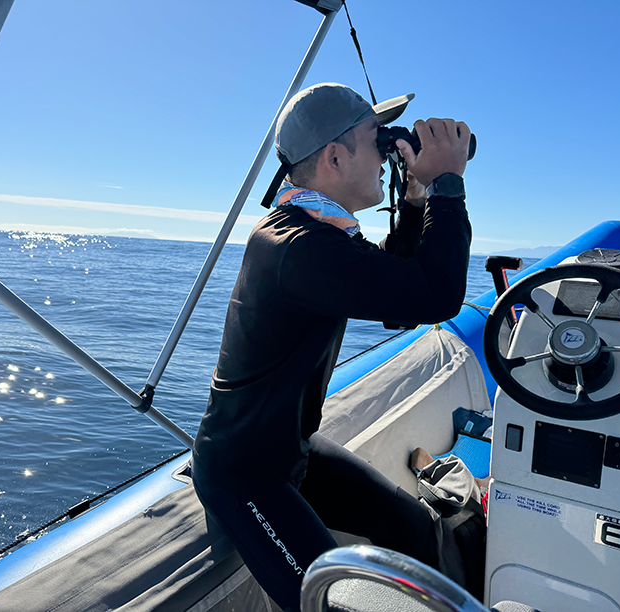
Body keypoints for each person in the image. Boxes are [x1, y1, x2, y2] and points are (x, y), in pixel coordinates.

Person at [191, 82, 473, 611]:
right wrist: (448, 184)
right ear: (336, 157)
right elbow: (436, 294)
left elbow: (399, 301)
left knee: (412, 527)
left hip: (290, 450)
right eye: (379, 140)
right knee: (333, 602)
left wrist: (414, 200)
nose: (391, 149)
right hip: (244, 472)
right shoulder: (299, 249)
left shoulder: (318, 233)